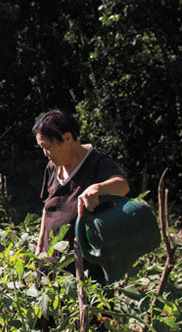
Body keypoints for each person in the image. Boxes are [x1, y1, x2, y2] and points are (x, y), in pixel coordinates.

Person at [34, 109, 130, 256]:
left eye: (48, 147)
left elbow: (122, 185)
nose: (45, 154)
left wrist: (98, 188)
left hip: (83, 265)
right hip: (50, 264)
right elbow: (47, 209)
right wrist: (40, 247)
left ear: (66, 138)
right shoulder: (52, 167)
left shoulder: (96, 163)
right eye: (42, 148)